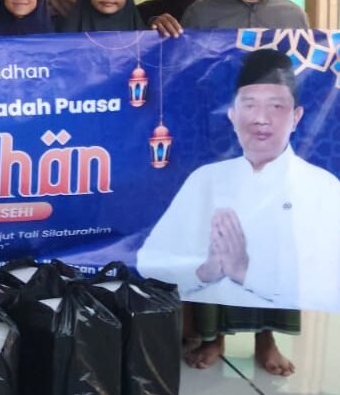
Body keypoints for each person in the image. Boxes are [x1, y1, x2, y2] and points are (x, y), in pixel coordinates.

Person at [166, 0, 309, 373]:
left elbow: (303, 83)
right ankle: (215, 338)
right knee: (218, 236)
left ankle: (267, 339)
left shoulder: (292, 16)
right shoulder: (203, 14)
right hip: (218, 147)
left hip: (271, 151)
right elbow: (185, 79)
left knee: (269, 240)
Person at [137, 50, 340, 374]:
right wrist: (203, 271)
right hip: (209, 284)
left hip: (276, 279)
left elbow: (327, 271)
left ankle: (266, 340)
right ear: (232, 114)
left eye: (276, 106)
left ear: (296, 116)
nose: (261, 118)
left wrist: (246, 272)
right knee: (207, 244)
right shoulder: (205, 180)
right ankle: (212, 338)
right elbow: (148, 259)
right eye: (249, 105)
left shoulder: (321, 186)